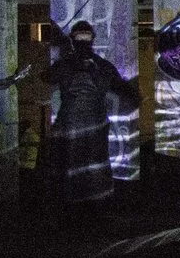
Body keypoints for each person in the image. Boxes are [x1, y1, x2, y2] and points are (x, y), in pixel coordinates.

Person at [42, 21, 140, 217]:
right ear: (92, 39)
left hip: (70, 126)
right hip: (94, 125)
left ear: (73, 39)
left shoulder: (65, 65)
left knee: (70, 168)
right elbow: (127, 92)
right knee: (94, 168)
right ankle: (95, 212)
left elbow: (46, 76)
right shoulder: (103, 66)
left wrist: (64, 52)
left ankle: (71, 212)